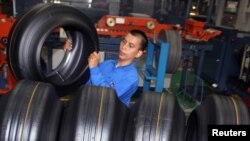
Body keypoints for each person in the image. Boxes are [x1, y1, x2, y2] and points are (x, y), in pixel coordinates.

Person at [65, 30, 148, 107]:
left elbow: (107, 96)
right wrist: (72, 50)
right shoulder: (108, 64)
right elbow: (86, 78)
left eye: (131, 46)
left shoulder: (131, 78)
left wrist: (94, 68)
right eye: (124, 41)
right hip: (89, 105)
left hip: (109, 116)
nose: (123, 47)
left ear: (138, 53)